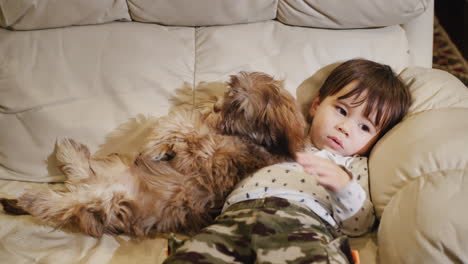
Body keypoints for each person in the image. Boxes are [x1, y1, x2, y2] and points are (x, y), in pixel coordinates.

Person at [163, 59, 412, 264]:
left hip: (301, 226)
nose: (345, 127)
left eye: (364, 127)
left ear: (376, 139)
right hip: (233, 219)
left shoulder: (354, 167)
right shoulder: (283, 138)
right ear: (316, 105)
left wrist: (344, 187)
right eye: (342, 111)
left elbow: (360, 224)